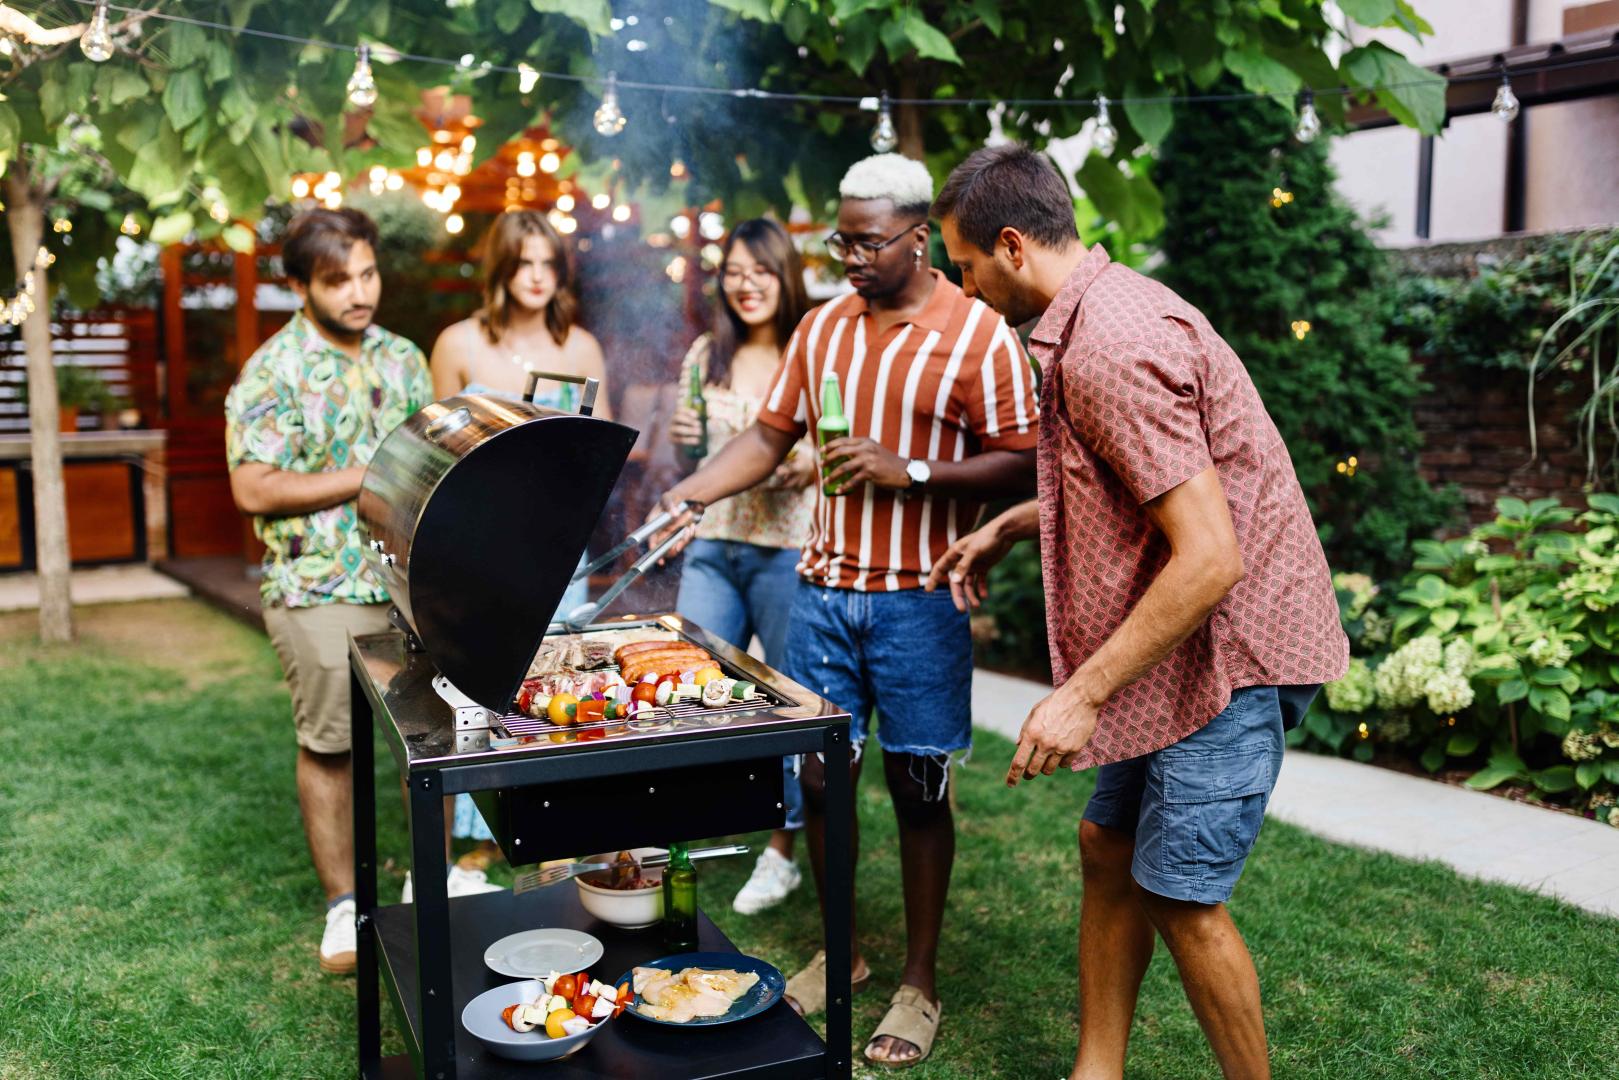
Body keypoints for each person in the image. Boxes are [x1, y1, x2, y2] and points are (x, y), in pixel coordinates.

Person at [927, 144, 1349, 1080]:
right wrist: (1015, 522)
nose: (965, 290)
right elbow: (1147, 483)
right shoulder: (1096, 314)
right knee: (1105, 842)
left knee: (1181, 893)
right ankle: (1097, 1070)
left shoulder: (1112, 346)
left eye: (963, 268)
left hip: (1231, 650)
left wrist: (1080, 693)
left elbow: (1208, 558)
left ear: (1010, 245)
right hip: (1195, 635)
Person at [655, 154, 1038, 1067]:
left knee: (917, 788)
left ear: (917, 237)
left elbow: (1025, 462)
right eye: (840, 238)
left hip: (917, 603)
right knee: (822, 782)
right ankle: (843, 951)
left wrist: (909, 472)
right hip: (823, 594)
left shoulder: (980, 335)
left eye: (865, 241)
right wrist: (692, 494)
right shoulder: (823, 327)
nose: (848, 257)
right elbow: (767, 434)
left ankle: (918, 980)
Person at [225, 208, 450, 976]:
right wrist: (366, 473)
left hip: (408, 582)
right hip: (317, 585)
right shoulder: (272, 370)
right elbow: (252, 487)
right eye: (337, 280)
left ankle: (433, 879)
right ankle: (343, 907)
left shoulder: (404, 357)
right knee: (331, 742)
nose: (359, 293)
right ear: (299, 285)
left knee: (432, 736)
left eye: (367, 274)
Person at [428, 210, 610, 869]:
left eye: (547, 263)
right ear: (500, 268)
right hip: (475, 545)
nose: (536, 276)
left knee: (558, 672)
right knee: (479, 685)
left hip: (557, 544)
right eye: (523, 262)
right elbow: (436, 448)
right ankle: (481, 837)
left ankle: (558, 822)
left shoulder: (580, 347)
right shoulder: (457, 343)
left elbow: (603, 451)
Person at [665, 218, 817, 915]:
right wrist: (682, 446)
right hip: (716, 544)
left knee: (787, 702)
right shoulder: (707, 353)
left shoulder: (813, 349)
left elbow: (837, 445)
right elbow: (694, 467)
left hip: (787, 547)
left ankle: (782, 850)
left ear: (785, 275)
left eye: (760, 270)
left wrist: (805, 462)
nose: (745, 284)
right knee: (686, 685)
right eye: (732, 271)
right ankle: (680, 828)